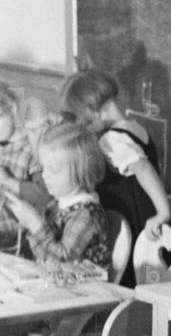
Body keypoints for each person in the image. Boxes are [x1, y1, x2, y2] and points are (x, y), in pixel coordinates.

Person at [59, 70, 171, 285]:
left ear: (95, 112)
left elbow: (143, 168)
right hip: (142, 223)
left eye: (84, 121)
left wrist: (163, 212)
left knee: (130, 281)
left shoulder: (112, 140)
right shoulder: (134, 129)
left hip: (134, 227)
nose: (84, 127)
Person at [1, 123, 109, 269]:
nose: (45, 175)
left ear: (81, 172)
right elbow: (42, 253)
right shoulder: (56, 205)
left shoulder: (86, 214)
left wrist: (35, 224)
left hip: (84, 289)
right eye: (44, 168)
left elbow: (63, 261)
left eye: (54, 170)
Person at [0, 83, 44, 251]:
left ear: (12, 108)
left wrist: (8, 180)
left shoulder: (33, 149)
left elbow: (45, 196)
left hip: (14, 232)